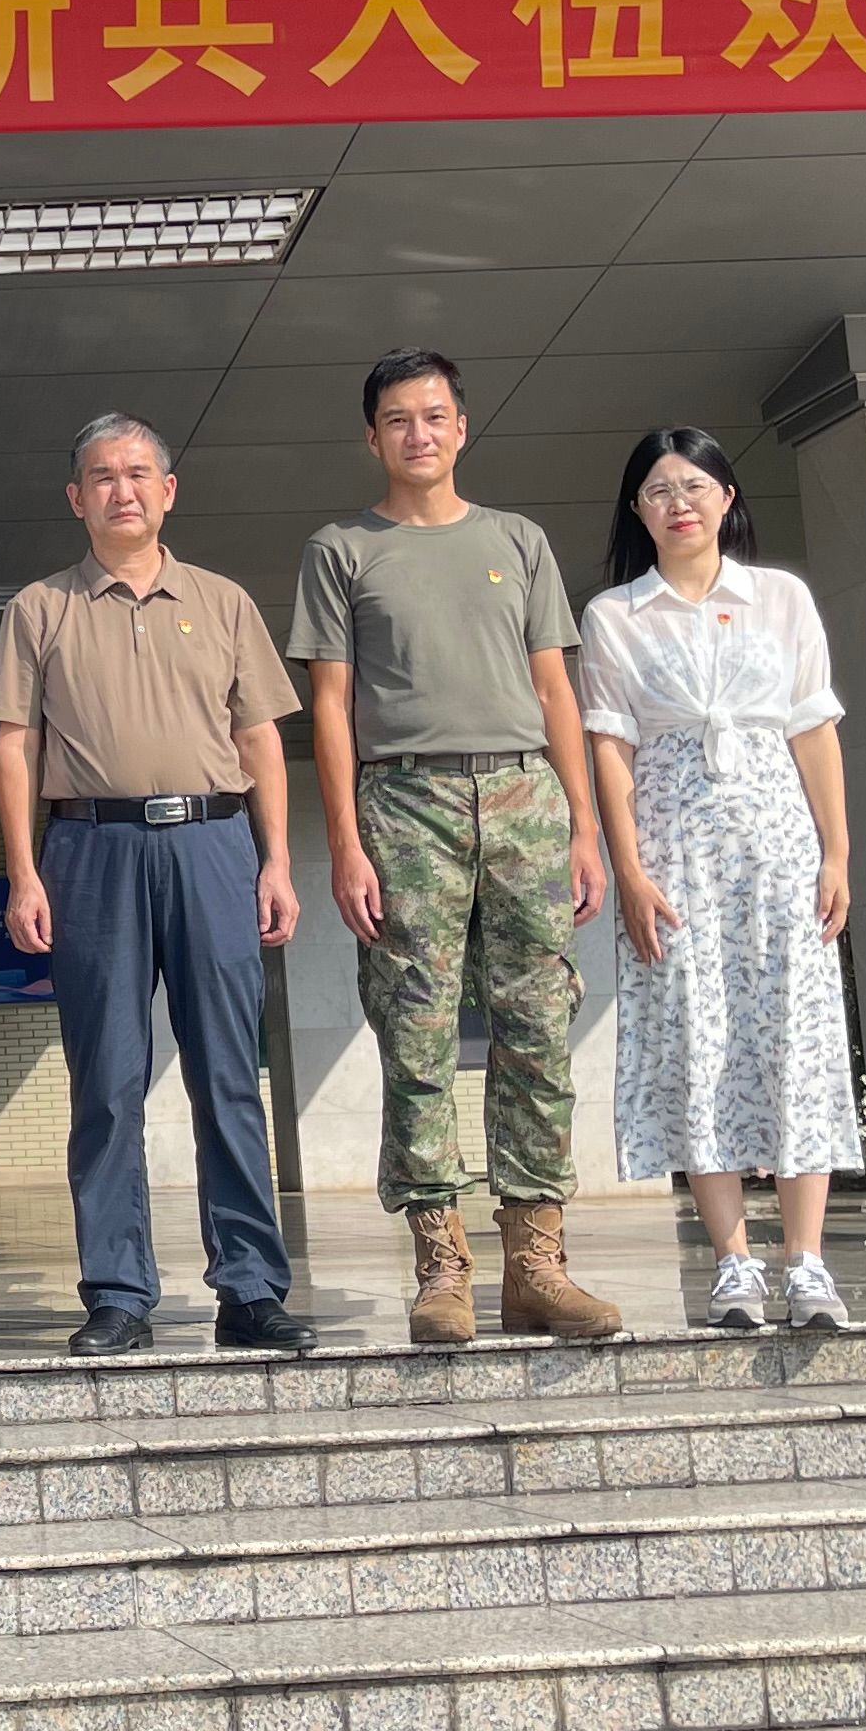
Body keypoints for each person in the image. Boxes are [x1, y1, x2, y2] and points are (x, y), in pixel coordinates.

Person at [293, 348, 621, 1349]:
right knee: (416, 1031)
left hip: (525, 794)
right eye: (398, 418)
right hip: (405, 803)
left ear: (462, 428)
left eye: (434, 416)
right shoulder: (342, 550)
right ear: (372, 436)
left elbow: (556, 687)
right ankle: (442, 1266)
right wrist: (345, 840)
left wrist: (583, 825)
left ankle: (537, 1264)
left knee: (537, 1029)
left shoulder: (516, 540)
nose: (418, 434)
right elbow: (331, 704)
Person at [0, 415, 315, 1358]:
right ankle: (119, 1291)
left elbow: (259, 738)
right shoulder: (39, 608)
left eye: (138, 474)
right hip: (90, 851)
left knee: (228, 1074)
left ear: (168, 491)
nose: (121, 490)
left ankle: (249, 1288)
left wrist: (275, 861)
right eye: (102, 476)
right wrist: (23, 873)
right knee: (106, 1080)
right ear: (76, 498)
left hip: (212, 844)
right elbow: (15, 745)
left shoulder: (222, 601)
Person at [581, 429, 860, 1332]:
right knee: (695, 1036)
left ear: (728, 497)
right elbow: (610, 747)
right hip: (676, 853)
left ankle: (807, 1260)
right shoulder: (616, 614)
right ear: (637, 510)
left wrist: (836, 852)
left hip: (777, 846)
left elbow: (814, 728)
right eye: (659, 491)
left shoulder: (781, 598)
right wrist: (628, 868)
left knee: (796, 1030)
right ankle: (733, 1262)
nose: (679, 504)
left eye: (695, 486)